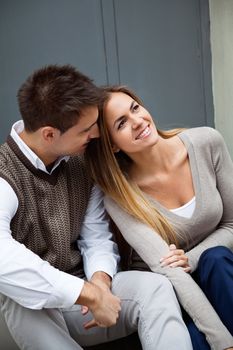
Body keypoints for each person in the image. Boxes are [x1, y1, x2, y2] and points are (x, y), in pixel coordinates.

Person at [0, 65, 193, 350]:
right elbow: (4, 257)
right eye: (86, 130)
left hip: (82, 303)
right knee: (18, 299)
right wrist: (87, 294)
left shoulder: (81, 164)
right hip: (25, 315)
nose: (97, 134)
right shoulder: (5, 174)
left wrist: (100, 284)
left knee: (155, 288)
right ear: (50, 134)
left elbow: (96, 236)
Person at [86, 85, 233, 350]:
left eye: (135, 108)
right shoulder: (121, 196)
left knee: (216, 259)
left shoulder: (207, 143)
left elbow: (232, 224)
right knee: (196, 341)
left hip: (219, 274)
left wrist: (191, 257)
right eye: (121, 124)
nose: (137, 121)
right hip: (174, 291)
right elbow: (169, 271)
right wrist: (223, 343)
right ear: (113, 146)